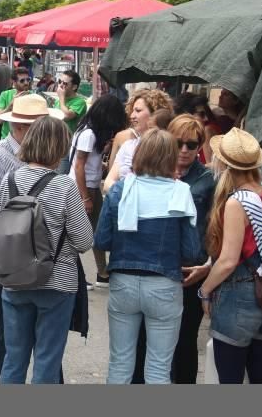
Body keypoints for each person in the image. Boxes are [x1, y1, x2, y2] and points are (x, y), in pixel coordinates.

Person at [95, 129, 200, 384]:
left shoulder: (120, 190)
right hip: (164, 283)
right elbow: (191, 252)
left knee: (120, 363)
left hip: (123, 281)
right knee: (159, 368)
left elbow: (102, 240)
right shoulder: (180, 192)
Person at [0, 115, 93, 383]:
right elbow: (84, 240)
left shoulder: (9, 180)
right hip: (56, 282)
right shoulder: (63, 185)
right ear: (60, 146)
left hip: (15, 279)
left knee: (13, 360)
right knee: (47, 362)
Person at [0, 94, 56, 377]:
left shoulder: (51, 155)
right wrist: (23, 215)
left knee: (47, 329)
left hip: (46, 250)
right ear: (20, 127)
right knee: (10, 327)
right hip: (9, 249)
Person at [198, 128, 262, 384]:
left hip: (240, 296)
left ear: (224, 163)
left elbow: (228, 261)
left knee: (230, 378)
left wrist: (204, 290)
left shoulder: (237, 202)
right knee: (261, 375)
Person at [164, 114, 216, 383]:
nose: (184, 150)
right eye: (178, 143)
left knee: (185, 339)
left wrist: (209, 264)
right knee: (156, 341)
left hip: (191, 268)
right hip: (159, 266)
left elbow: (215, 226)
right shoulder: (154, 172)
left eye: (191, 145)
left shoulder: (208, 178)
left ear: (199, 147)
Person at [69, 95, 126, 289]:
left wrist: (100, 164)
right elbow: (78, 166)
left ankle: (103, 273)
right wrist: (85, 197)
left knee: (98, 231)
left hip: (89, 186)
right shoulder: (88, 134)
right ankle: (78, 275)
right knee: (78, 234)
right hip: (83, 188)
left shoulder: (90, 133)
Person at [104, 89, 174, 192]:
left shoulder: (170, 147)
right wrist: (127, 196)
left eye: (138, 111)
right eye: (132, 111)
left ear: (155, 112)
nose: (132, 116)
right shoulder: (128, 145)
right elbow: (108, 182)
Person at [175, 93, 220, 163]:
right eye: (201, 114)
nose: (206, 119)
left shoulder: (207, 131)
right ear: (187, 114)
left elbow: (210, 166)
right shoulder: (171, 134)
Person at [0, 67, 34, 140]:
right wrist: (10, 106)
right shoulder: (5, 94)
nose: (26, 83)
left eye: (28, 79)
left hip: (27, 139)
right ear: (14, 82)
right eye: (22, 81)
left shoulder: (33, 96)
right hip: (7, 138)